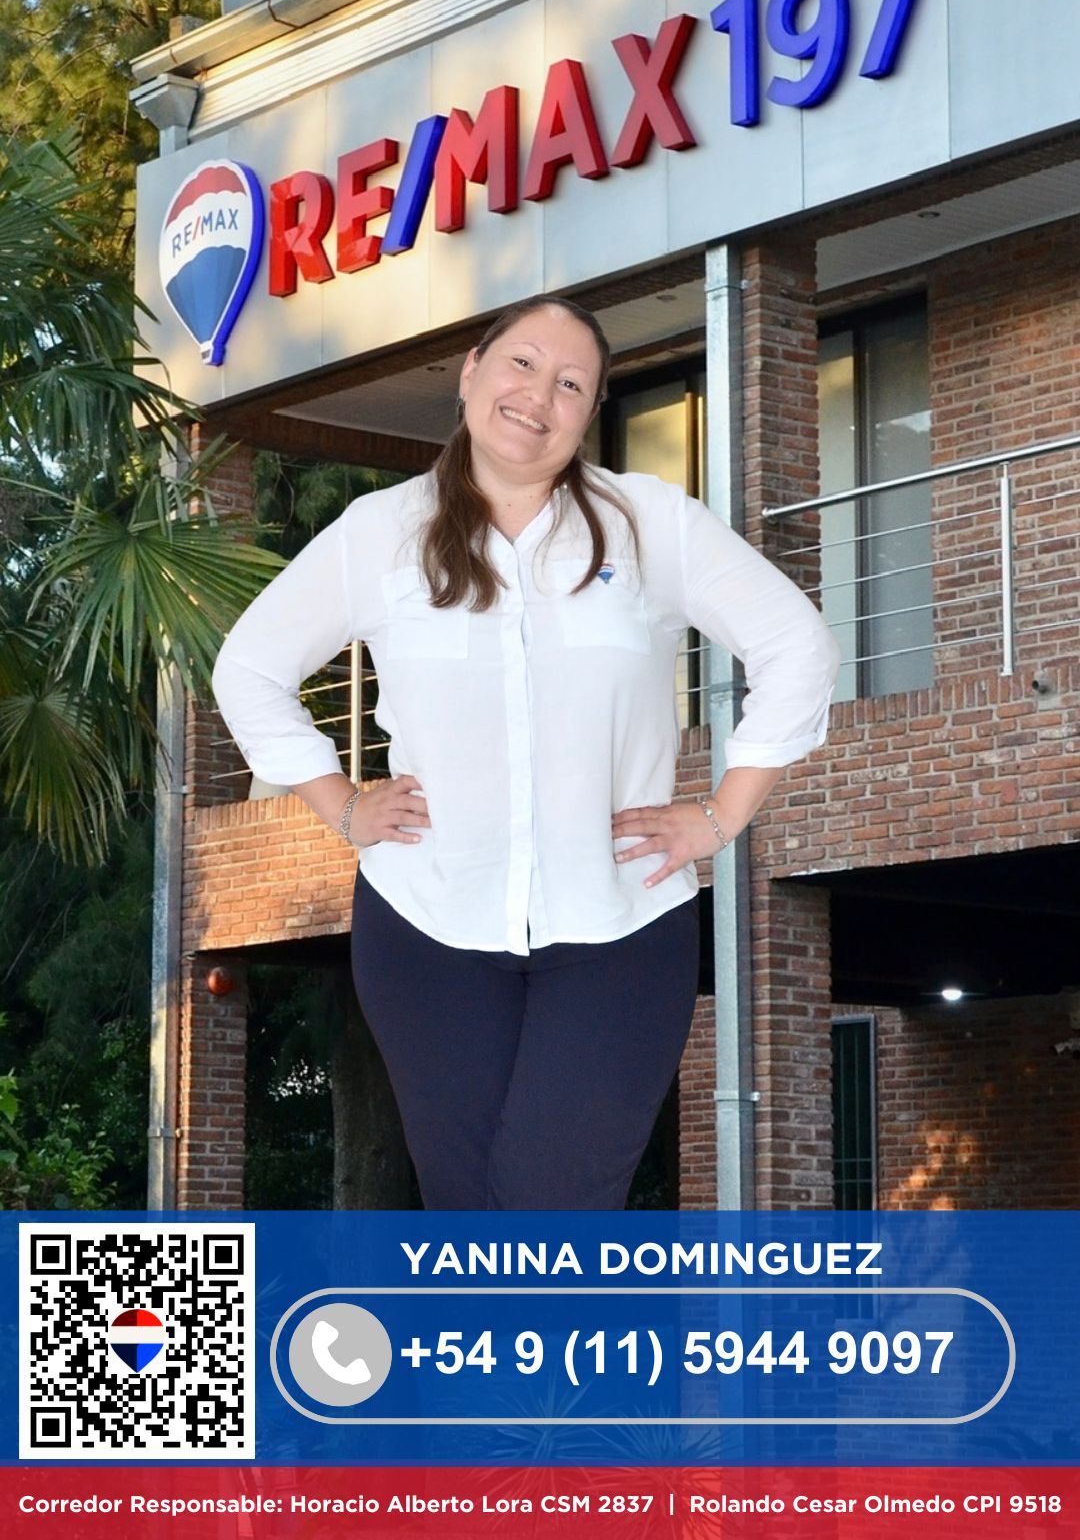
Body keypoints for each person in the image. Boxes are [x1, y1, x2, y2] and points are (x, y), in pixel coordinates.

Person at [212, 293, 841, 1210]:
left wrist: (720, 816)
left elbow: (798, 646)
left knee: (553, 1203)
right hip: (425, 928)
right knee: (468, 1217)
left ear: (590, 413)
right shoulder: (379, 533)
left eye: (571, 384)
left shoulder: (650, 523)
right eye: (521, 364)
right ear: (472, 372)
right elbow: (248, 669)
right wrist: (339, 803)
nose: (539, 396)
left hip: (620, 927)